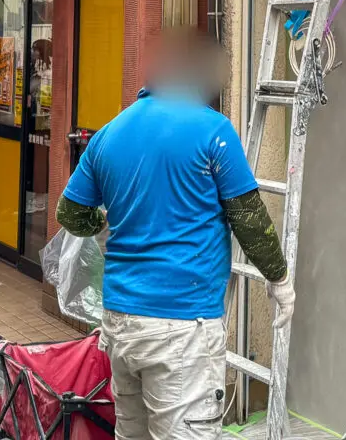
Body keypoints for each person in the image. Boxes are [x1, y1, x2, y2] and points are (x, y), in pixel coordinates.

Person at [56, 28, 294, 440]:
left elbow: (70, 213)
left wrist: (104, 227)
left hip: (121, 322)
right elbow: (249, 219)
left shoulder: (110, 133)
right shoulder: (212, 130)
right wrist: (280, 279)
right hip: (182, 325)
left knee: (132, 434)